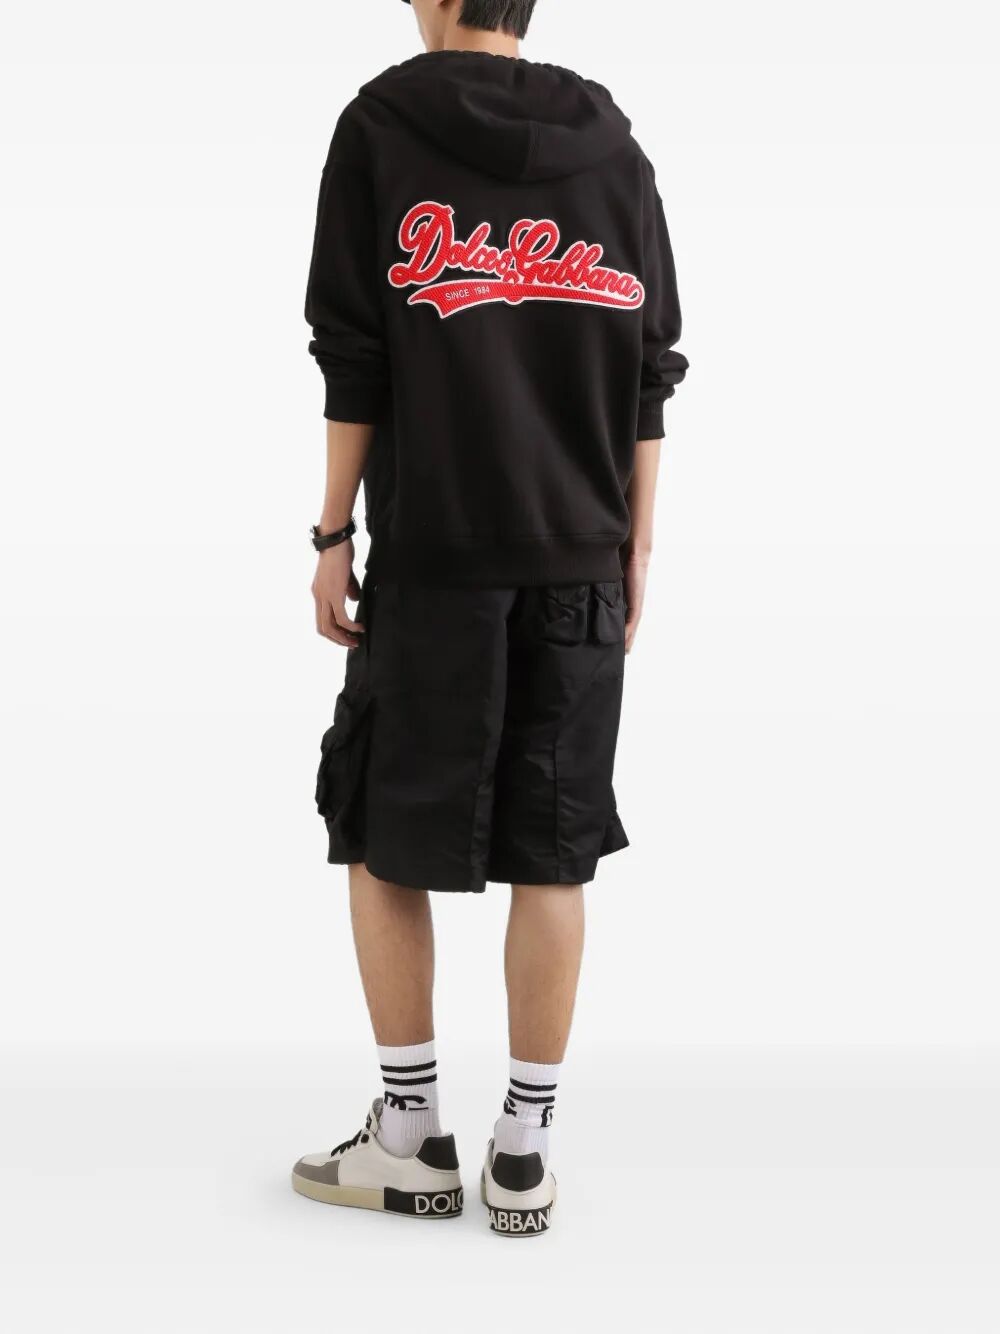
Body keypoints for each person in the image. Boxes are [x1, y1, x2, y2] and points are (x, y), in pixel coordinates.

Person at [291, 0, 687, 1237]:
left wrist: (330, 534)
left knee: (376, 832)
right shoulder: (613, 148)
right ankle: (524, 1153)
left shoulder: (379, 126)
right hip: (581, 561)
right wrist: (635, 544)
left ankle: (411, 1137)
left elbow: (353, 352)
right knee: (553, 852)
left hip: (434, 562)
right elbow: (651, 367)